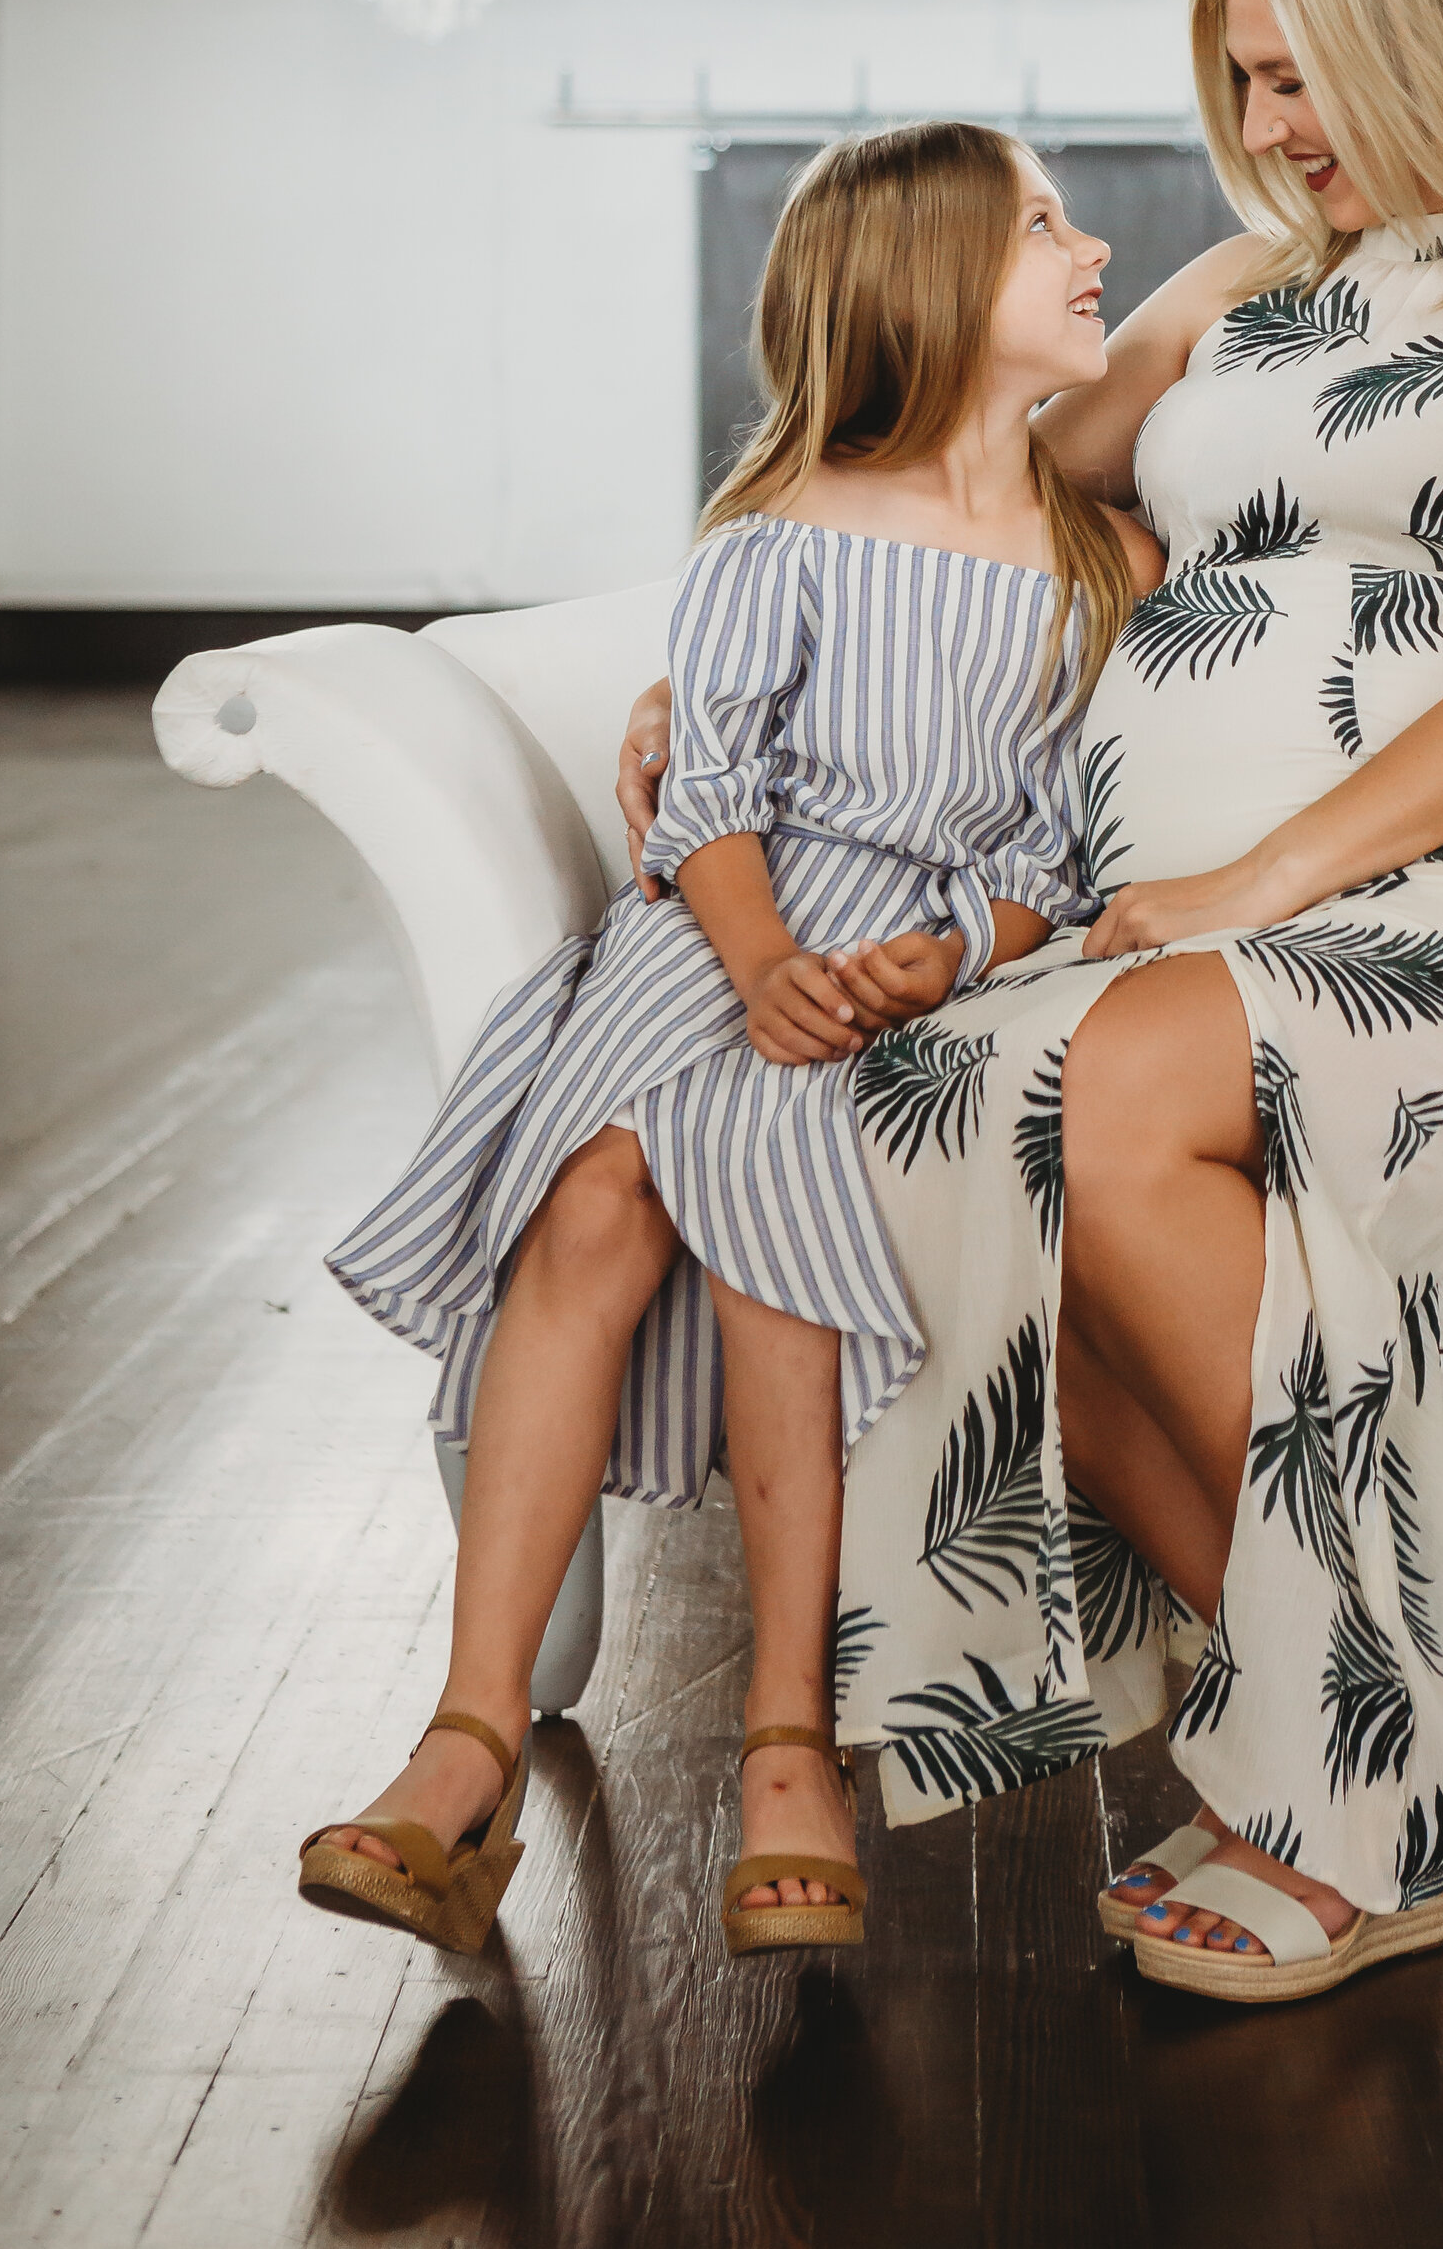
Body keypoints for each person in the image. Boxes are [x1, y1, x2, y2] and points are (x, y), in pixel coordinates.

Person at [621, 0, 1443, 2006]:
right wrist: (746, 643)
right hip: (1194, 923)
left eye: (1305, 78)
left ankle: (1368, 1783)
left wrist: (1253, 885)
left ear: (1436, 41)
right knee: (913, 1116)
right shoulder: (1231, 296)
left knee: (1108, 1097)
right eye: (1244, 86)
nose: (1272, 132)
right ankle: (1359, 1759)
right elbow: (963, 466)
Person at [300, 124, 1156, 1957]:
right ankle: (468, 1737)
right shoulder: (782, 528)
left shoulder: (1106, 564)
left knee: (766, 1184)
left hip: (928, 961)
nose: (1093, 248)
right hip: (723, 922)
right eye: (1042, 224)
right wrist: (763, 954)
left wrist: (958, 949)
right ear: (925, 280)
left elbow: (1077, 848)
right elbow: (707, 791)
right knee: (602, 1184)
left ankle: (792, 1735)